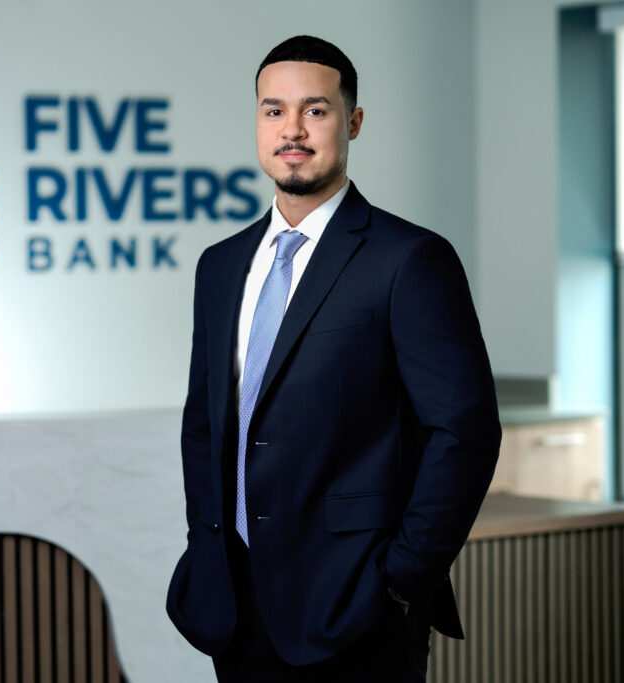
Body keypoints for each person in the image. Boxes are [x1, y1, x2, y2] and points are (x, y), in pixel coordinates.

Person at [165, 35, 501, 682]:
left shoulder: (407, 260)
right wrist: (203, 541)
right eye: (273, 110)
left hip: (355, 607)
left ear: (353, 121)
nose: (292, 129)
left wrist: (402, 578)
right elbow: (203, 425)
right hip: (233, 603)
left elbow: (465, 431)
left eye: (315, 110)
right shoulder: (221, 264)